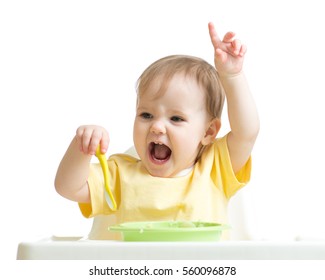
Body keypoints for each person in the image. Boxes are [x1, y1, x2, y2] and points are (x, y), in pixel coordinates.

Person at [55, 22, 259, 239]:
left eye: (176, 118)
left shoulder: (215, 168)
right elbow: (68, 188)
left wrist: (232, 77)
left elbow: (246, 133)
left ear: (208, 132)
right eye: (146, 115)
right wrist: (81, 148)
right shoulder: (120, 175)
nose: (157, 126)